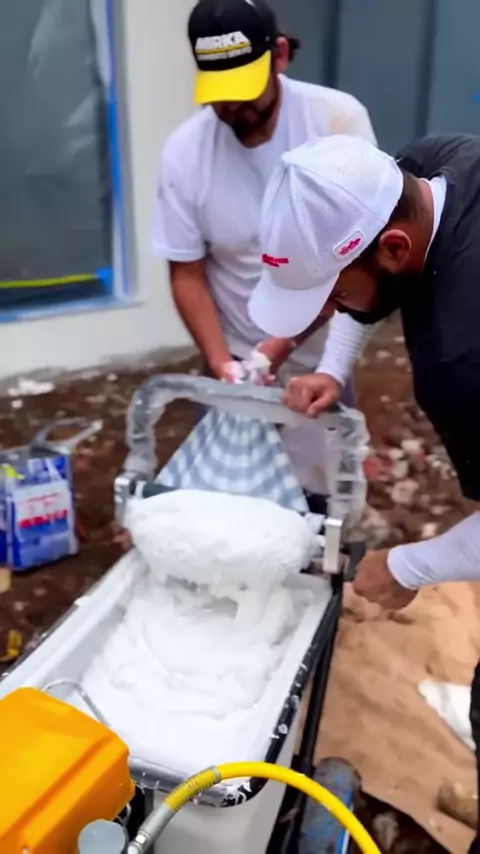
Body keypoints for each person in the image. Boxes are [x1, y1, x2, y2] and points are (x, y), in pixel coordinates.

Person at [248, 131, 480, 852]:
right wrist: (333, 367)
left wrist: (409, 566)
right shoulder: (439, 165)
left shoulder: (462, 356)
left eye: (332, 292)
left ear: (396, 250)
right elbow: (367, 289)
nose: (330, 309)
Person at [152, 0, 377, 500]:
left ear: (279, 56)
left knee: (320, 500)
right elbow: (187, 272)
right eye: (219, 93)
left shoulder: (336, 122)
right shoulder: (185, 153)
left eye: (243, 88)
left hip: (320, 353)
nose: (232, 107)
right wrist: (223, 365)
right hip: (234, 358)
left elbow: (357, 263)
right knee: (224, 503)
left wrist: (285, 350)